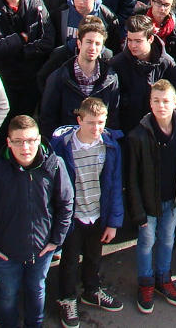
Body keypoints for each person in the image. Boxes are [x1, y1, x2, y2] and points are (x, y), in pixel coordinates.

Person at [0, 115, 73, 328]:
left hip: (41, 250)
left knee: (36, 291)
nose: (25, 147)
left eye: (30, 140)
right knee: (8, 294)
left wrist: (56, 241)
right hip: (6, 252)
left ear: (39, 140)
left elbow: (66, 203)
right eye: (18, 141)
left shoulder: (54, 166)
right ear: (8, 142)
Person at [50, 98, 125, 323]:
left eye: (101, 122)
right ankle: (67, 298)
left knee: (94, 256)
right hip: (73, 216)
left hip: (97, 214)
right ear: (79, 120)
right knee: (70, 260)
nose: (96, 128)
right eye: (91, 123)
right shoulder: (63, 147)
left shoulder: (110, 145)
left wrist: (113, 222)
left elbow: (114, 184)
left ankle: (91, 291)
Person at [127, 80, 176, 314]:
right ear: (150, 103)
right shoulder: (138, 136)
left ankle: (163, 278)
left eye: (166, 101)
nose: (161, 105)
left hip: (174, 199)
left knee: (167, 239)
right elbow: (132, 179)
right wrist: (136, 211)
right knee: (146, 242)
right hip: (149, 202)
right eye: (156, 101)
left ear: (175, 103)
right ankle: (146, 283)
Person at [40, 16, 121, 138]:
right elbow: (47, 120)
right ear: (79, 43)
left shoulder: (110, 78)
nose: (92, 48)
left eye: (97, 44)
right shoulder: (59, 77)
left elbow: (113, 119)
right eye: (88, 42)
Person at [110, 15, 176, 135]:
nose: (133, 45)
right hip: (127, 130)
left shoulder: (166, 64)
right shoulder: (117, 64)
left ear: (150, 39)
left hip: (157, 131)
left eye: (138, 41)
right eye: (129, 40)